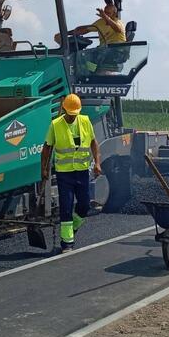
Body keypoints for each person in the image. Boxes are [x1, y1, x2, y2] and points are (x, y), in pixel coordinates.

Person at [41, 93, 102, 252]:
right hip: (64, 174)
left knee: (84, 206)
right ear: (65, 110)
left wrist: (97, 163)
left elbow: (93, 143)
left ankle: (72, 229)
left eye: (75, 114)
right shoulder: (55, 125)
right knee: (66, 207)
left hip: (82, 172)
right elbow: (47, 148)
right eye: (70, 114)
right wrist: (44, 169)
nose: (73, 117)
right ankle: (66, 243)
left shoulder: (85, 121)